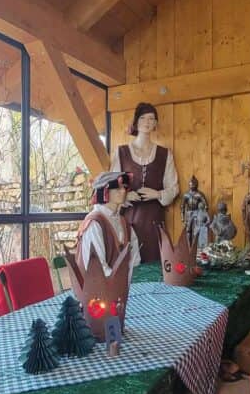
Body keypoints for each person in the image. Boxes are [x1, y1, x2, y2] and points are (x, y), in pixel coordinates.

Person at [113, 103, 178, 263]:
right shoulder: (121, 152)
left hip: (154, 221)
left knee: (155, 266)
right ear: (136, 122)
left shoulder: (164, 154)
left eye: (151, 118)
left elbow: (173, 188)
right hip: (128, 221)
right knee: (128, 267)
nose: (147, 122)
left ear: (155, 123)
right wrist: (126, 195)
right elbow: (113, 185)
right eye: (142, 118)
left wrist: (157, 194)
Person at [76, 171, 141, 281]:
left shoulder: (124, 223)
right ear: (104, 192)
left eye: (124, 187)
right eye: (117, 189)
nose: (123, 191)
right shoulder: (94, 224)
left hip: (125, 287)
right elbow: (98, 268)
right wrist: (124, 281)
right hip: (98, 291)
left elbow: (135, 260)